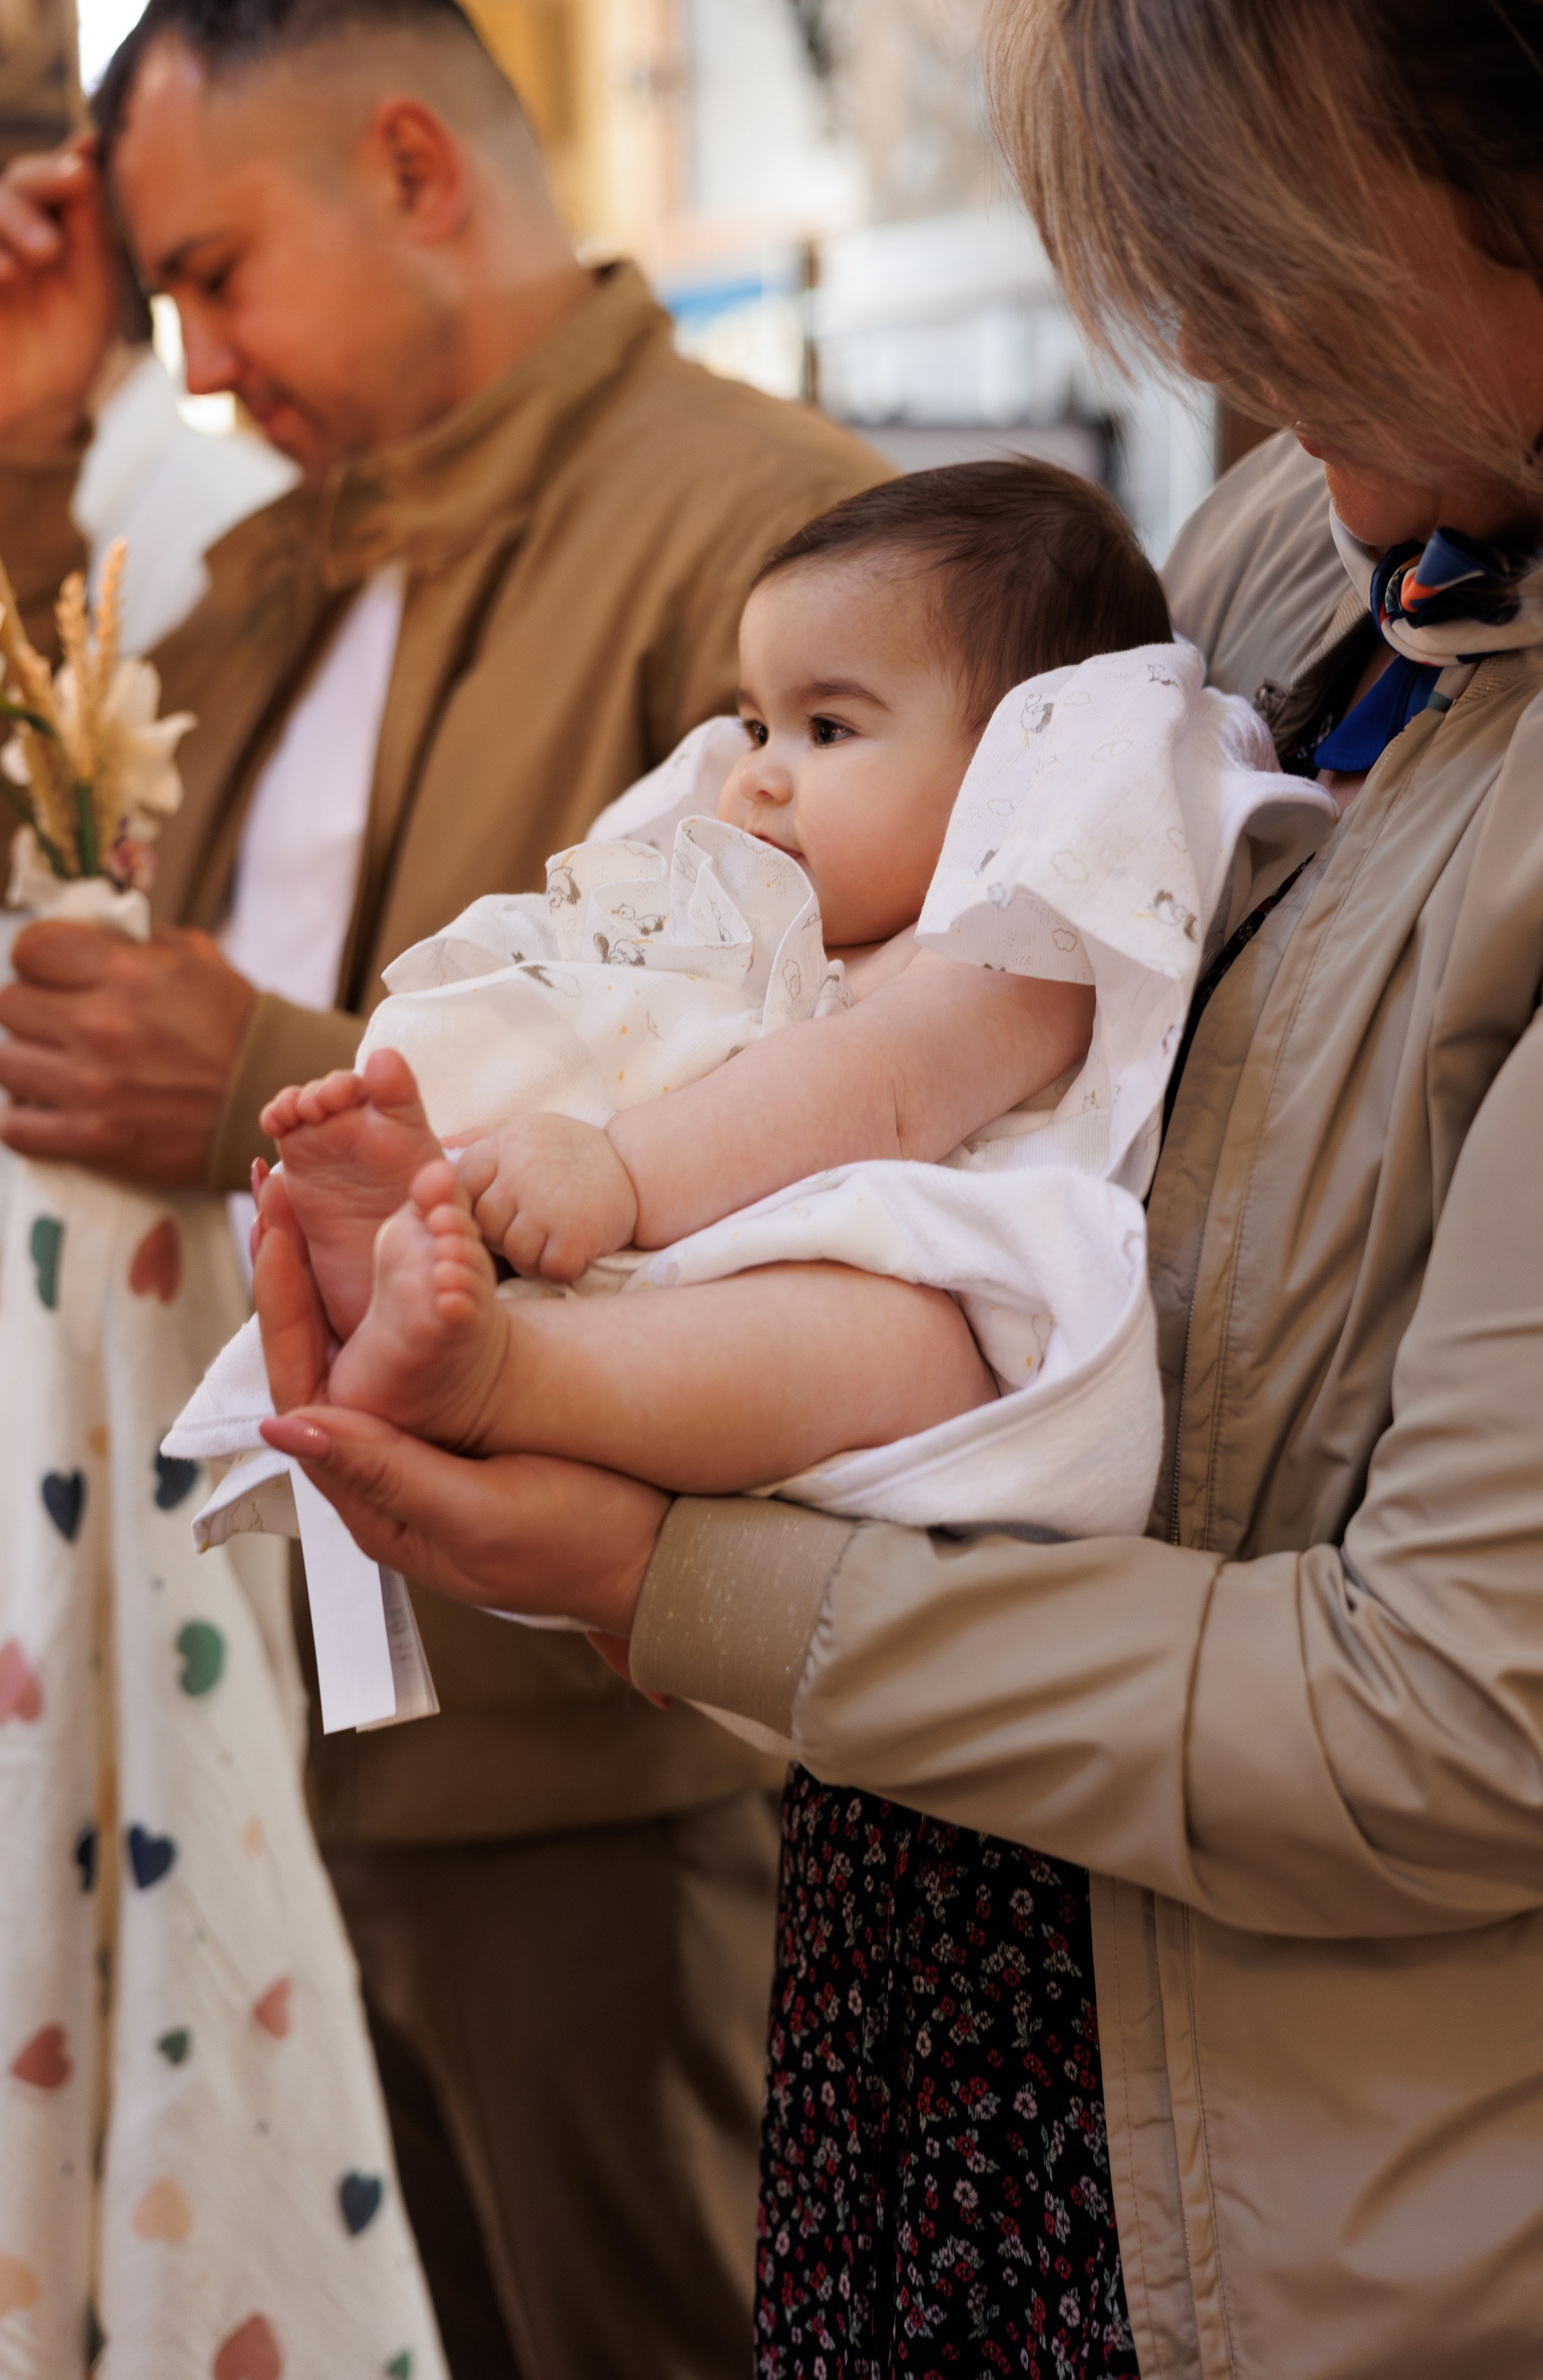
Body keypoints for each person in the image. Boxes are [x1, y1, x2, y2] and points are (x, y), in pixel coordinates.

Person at [257, 1, 1543, 2373]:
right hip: (958, 1940)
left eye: (1291, 292)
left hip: (1269, 2159)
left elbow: (1447, 1725)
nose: (1239, 371)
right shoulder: (1313, 538)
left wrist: (658, 1545)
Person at [0, 1, 890, 2369]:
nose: (200, 359)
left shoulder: (766, 524)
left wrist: (252, 1081)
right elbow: (32, 835)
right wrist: (29, 433)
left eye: (216, 275)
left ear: (413, 165)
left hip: (587, 1727)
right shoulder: (293, 558)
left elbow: (843, 1093)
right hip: (280, 1677)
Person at [251, 463, 1172, 1484]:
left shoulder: (1021, 949)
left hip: (939, 1330)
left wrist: (623, 1172)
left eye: (829, 729)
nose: (760, 773)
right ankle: (415, 1251)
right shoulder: (779, 917)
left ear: (1015, 767)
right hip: (696, 1243)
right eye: (755, 726)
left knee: (889, 1341)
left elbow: (884, 1089)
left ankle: (503, 1375)